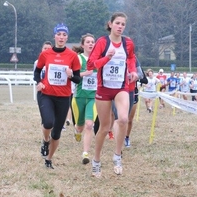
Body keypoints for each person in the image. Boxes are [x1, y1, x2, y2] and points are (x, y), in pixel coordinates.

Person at [87, 12, 138, 177]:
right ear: (110, 24)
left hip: (121, 87)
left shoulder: (128, 43)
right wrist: (106, 59)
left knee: (123, 119)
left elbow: (131, 58)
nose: (120, 27)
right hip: (103, 89)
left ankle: (117, 156)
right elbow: (91, 64)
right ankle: (96, 161)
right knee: (104, 127)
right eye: (117, 23)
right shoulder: (103, 42)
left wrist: (132, 71)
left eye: (123, 24)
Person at [34, 23, 81, 169]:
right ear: (54, 36)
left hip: (63, 97)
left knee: (57, 133)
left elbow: (78, 79)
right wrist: (39, 82)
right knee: (48, 123)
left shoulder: (72, 56)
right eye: (59, 34)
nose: (61, 37)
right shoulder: (45, 54)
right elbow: (37, 72)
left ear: (67, 37)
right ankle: (45, 140)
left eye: (64, 35)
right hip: (46, 94)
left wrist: (71, 75)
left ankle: (48, 159)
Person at [71, 33, 97, 164]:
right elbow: (72, 75)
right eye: (88, 42)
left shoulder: (99, 59)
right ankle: (76, 131)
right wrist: (85, 73)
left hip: (94, 97)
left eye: (93, 42)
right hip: (79, 97)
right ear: (83, 45)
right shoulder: (78, 58)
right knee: (80, 126)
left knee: (89, 125)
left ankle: (85, 153)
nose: (91, 44)